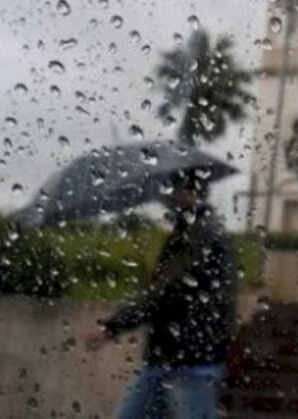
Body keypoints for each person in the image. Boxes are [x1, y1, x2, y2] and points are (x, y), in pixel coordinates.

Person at [86, 171, 237, 418]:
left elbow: (163, 296)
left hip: (189, 362)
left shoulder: (200, 236)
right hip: (164, 359)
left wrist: (112, 326)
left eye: (177, 190)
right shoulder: (188, 233)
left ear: (191, 193)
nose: (171, 198)